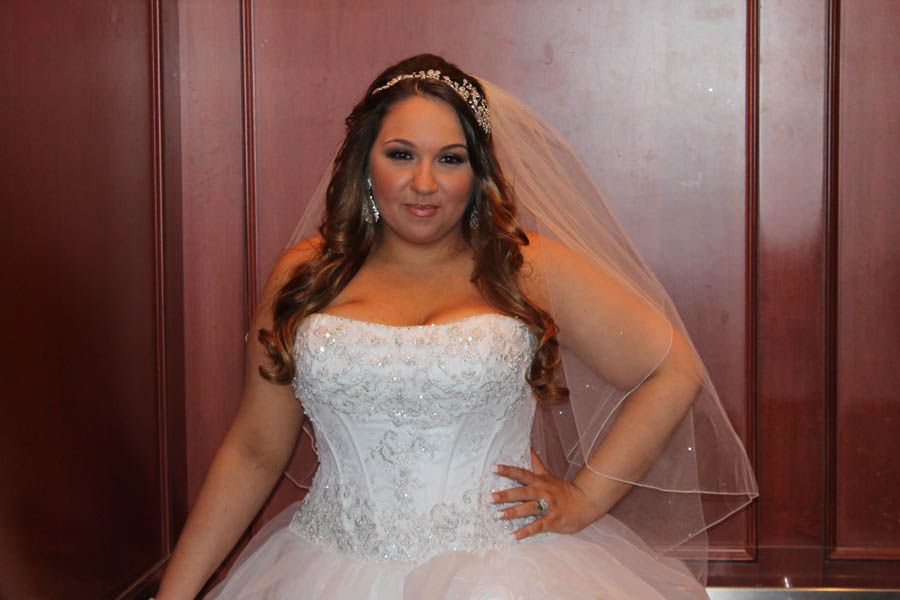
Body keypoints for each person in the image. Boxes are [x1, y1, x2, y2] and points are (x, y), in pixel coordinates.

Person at [156, 54, 757, 599]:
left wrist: (586, 499)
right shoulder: (306, 276)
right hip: (326, 570)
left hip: (506, 574)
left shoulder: (523, 265)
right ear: (365, 162)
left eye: (450, 158)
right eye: (401, 154)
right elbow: (256, 450)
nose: (424, 182)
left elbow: (670, 370)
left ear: (478, 171)